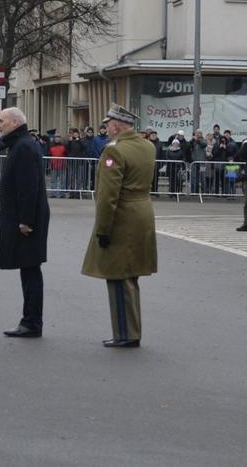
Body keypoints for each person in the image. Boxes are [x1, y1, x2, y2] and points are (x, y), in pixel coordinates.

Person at [81, 104, 157, 348]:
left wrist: (102, 230)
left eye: (108, 125)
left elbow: (107, 196)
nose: (107, 130)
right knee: (131, 276)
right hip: (142, 212)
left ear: (116, 125)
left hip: (122, 216)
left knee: (117, 276)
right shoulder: (147, 146)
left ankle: (126, 333)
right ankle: (131, 331)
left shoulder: (113, 152)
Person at [0, 108, 50, 338]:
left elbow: (28, 187)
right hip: (24, 218)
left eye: (1, 121)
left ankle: (31, 322)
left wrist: (26, 220)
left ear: (15, 122)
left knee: (30, 270)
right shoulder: (20, 145)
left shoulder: (24, 147)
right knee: (28, 270)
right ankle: (30, 321)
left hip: (27, 220)